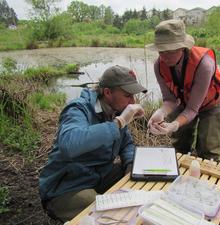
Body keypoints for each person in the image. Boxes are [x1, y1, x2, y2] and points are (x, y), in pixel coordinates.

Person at [39, 65, 147, 222]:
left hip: (98, 176)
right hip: (68, 186)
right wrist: (119, 122)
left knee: (140, 178)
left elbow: (127, 145)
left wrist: (130, 167)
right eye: (127, 95)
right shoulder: (78, 109)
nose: (133, 102)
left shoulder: (116, 111)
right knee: (104, 214)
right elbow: (70, 145)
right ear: (108, 92)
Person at [147, 19, 220, 159]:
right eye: (161, 51)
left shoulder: (204, 65)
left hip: (211, 103)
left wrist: (173, 125)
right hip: (184, 100)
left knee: (209, 149)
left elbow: (192, 109)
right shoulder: (158, 66)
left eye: (170, 51)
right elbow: (170, 100)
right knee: (179, 145)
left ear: (182, 47)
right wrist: (160, 112)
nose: (164, 56)